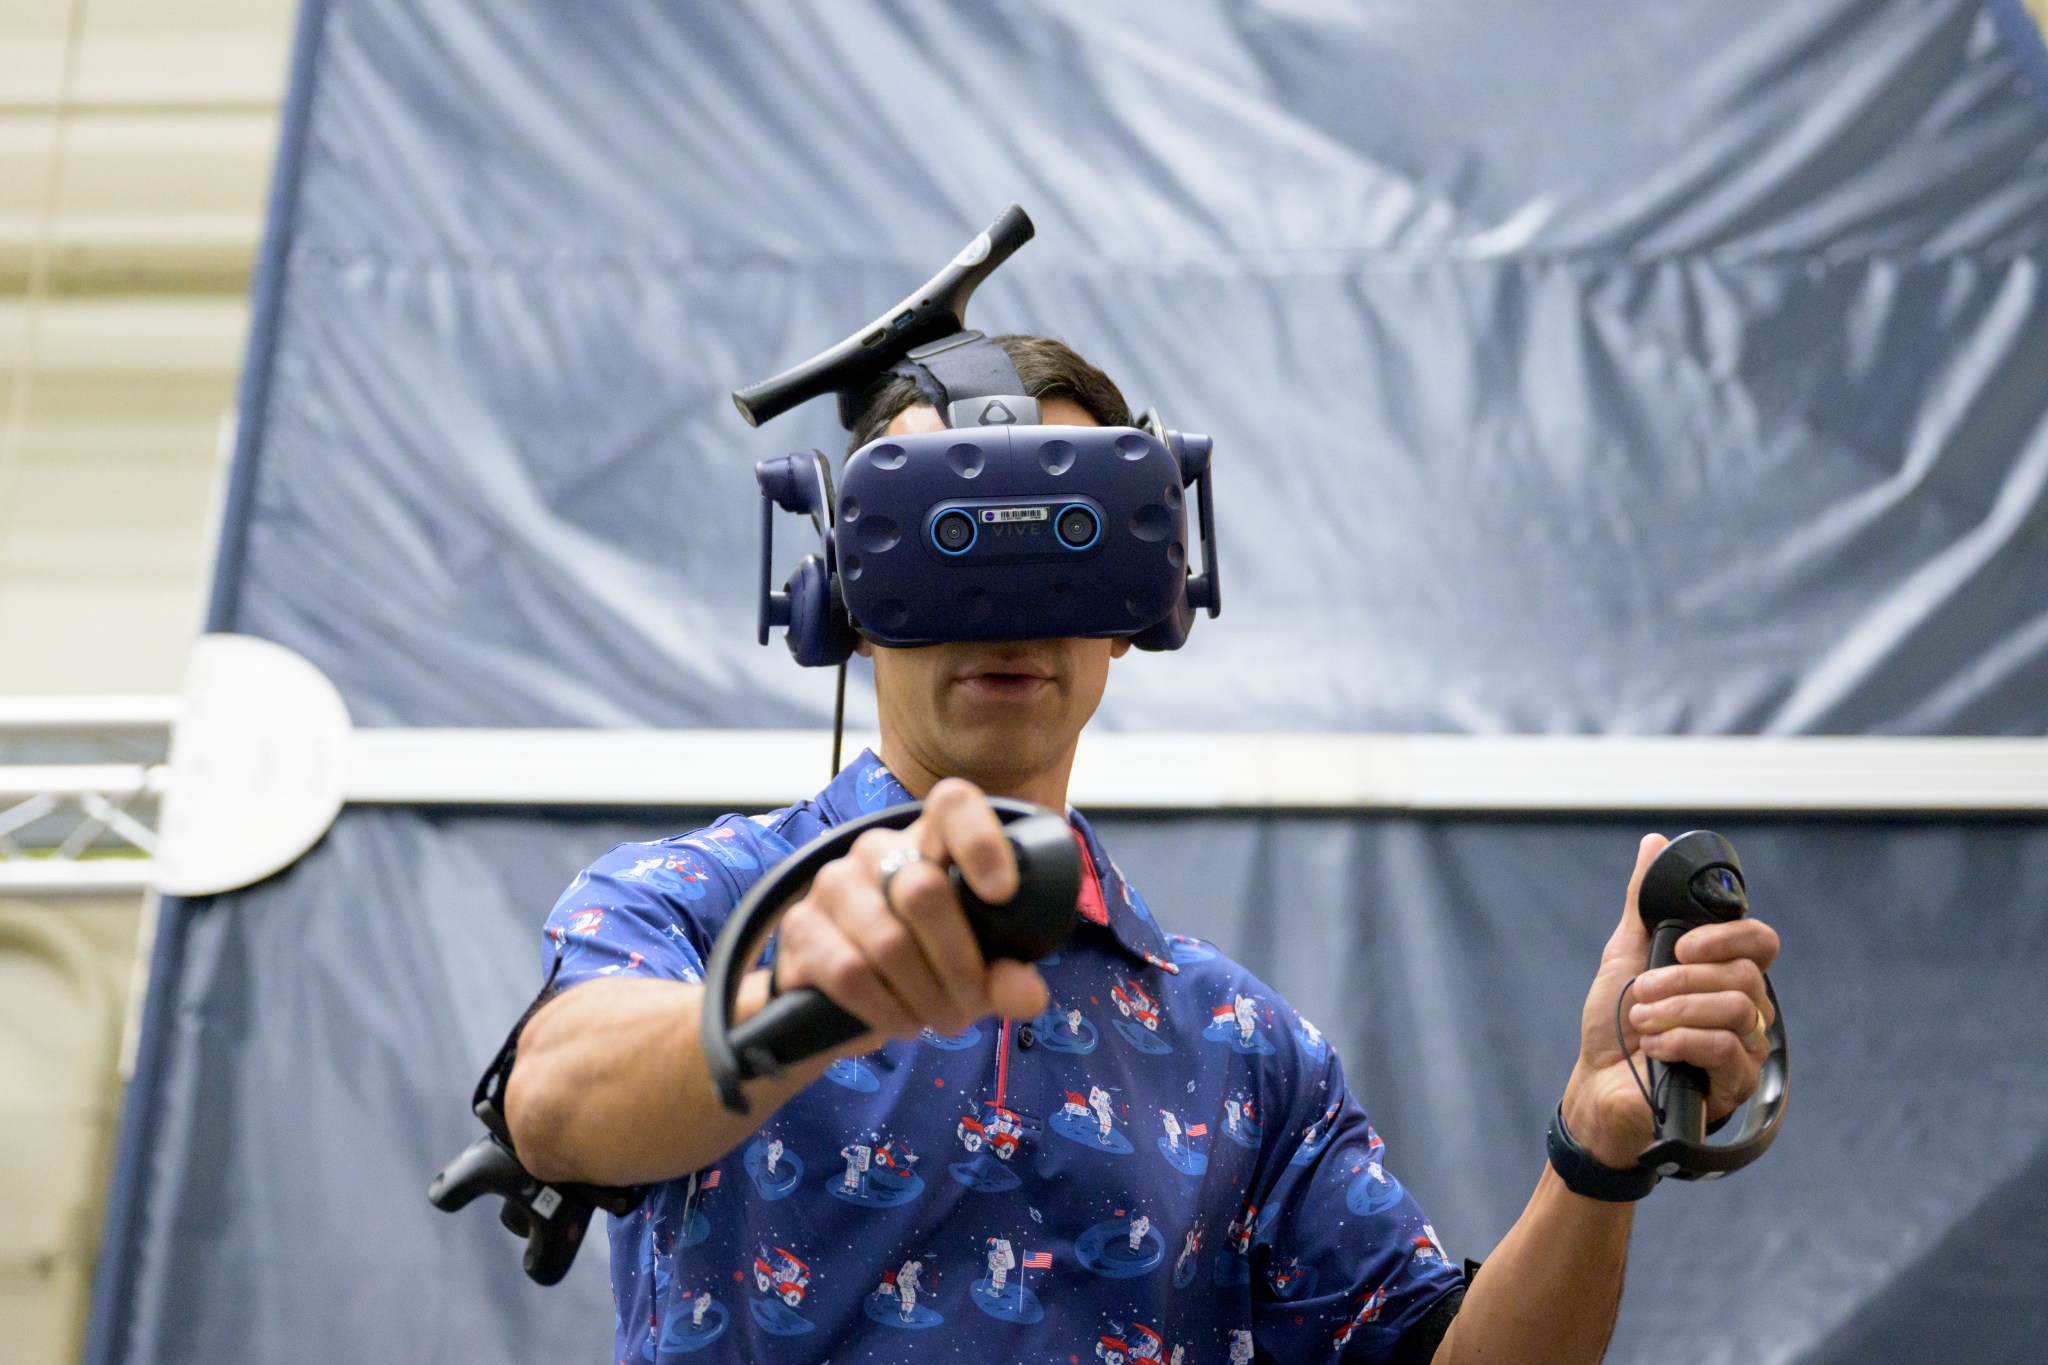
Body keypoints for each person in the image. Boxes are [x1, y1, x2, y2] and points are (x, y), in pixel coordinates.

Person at [504, 335, 1782, 1361]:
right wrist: (791, 1006)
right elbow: (554, 1102)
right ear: (844, 593)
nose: (1009, 608)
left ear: (1145, 596)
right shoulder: (698, 908)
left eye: (1067, 539)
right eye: (946, 539)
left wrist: (1593, 1151)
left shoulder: (1240, 1051)